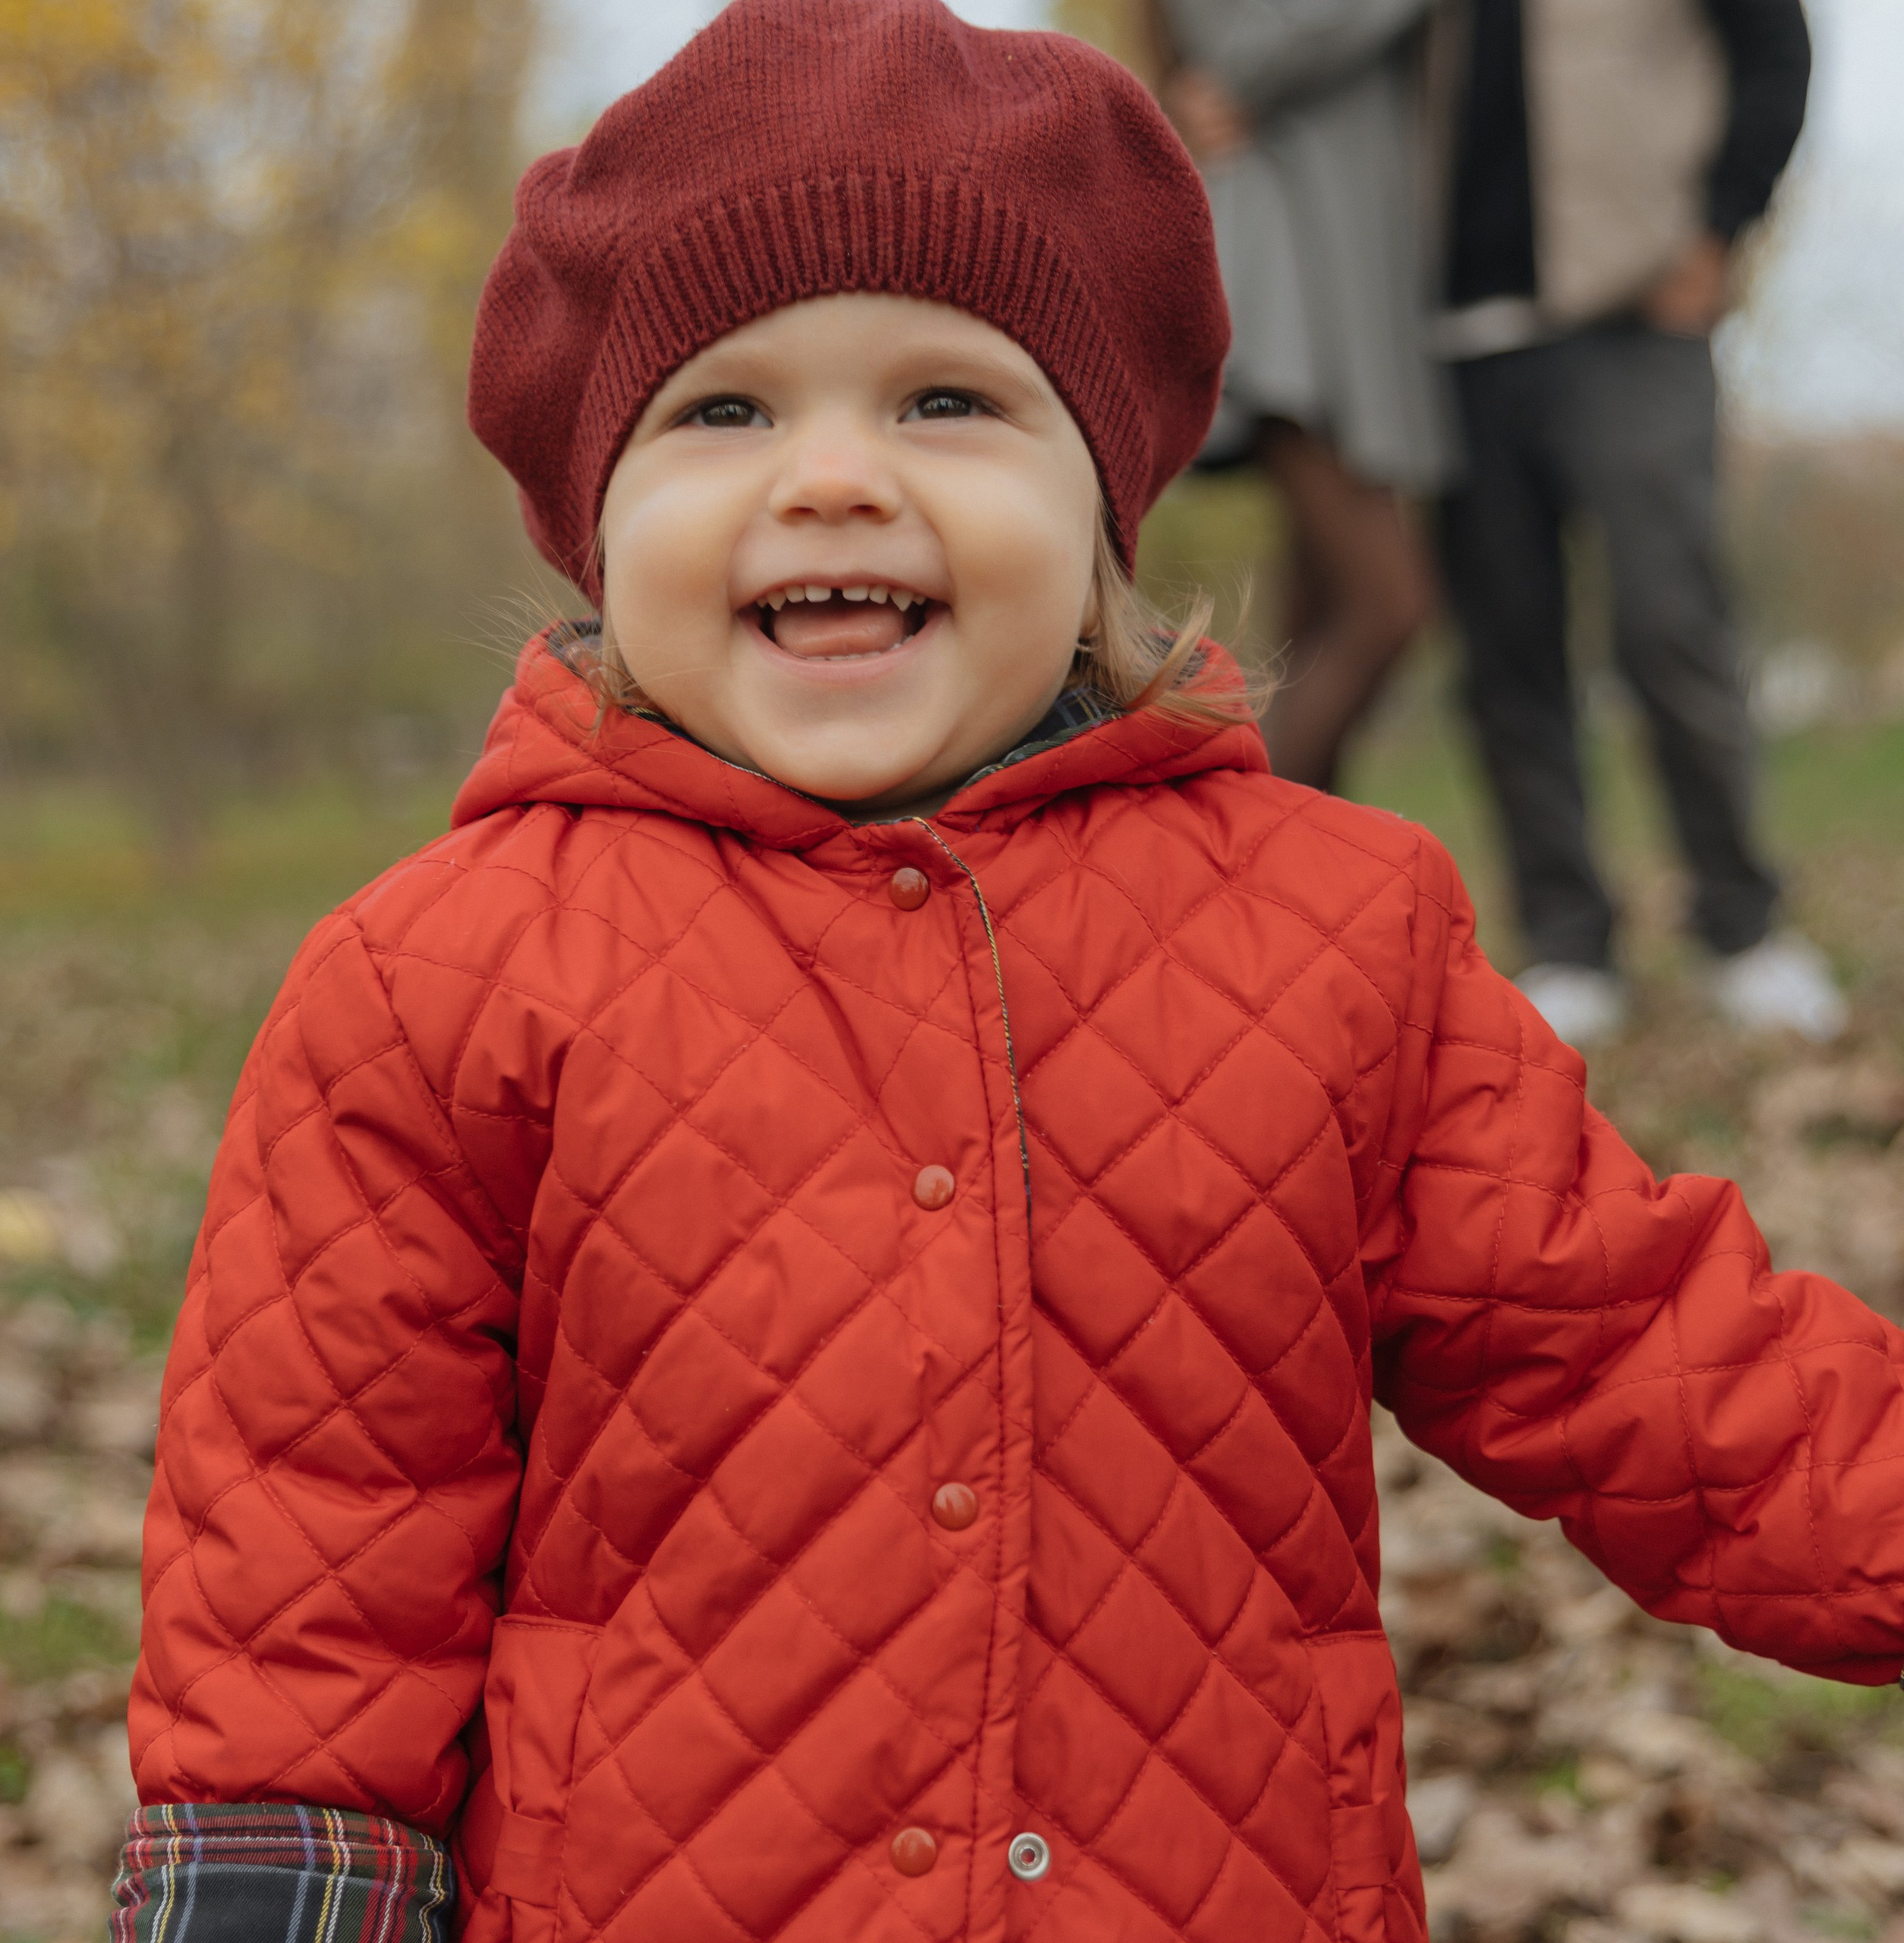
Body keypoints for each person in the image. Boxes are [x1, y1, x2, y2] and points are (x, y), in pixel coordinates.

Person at [111, 5, 1904, 1941]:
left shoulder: (1331, 930)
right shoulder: (435, 979)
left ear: (1104, 500)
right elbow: (311, 1555)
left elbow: (1641, 1348)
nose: (830, 479)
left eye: (946, 402)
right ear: (593, 518)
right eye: (722, 411)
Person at [1436, 0, 1839, 1048]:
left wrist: (1718, 228)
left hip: (1632, 315)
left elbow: (1775, 49)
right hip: (1449, 339)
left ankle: (1744, 928)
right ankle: (1569, 941)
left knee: (1671, 618)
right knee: (1505, 652)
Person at [1152, 0, 1452, 792]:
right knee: (1388, 604)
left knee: (1319, 622)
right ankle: (1244, 861)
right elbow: (1233, 56)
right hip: (1287, 296)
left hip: (1347, 299)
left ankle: (1297, 890)